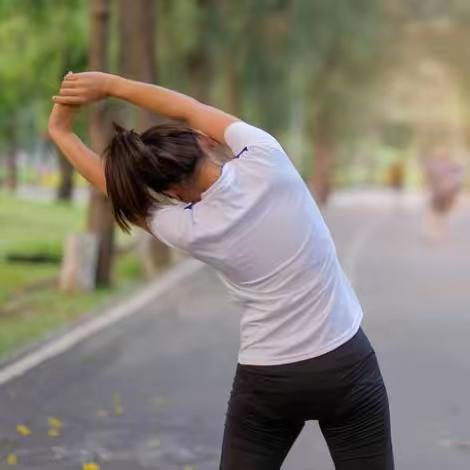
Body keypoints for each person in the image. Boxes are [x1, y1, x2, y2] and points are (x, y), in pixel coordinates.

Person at [49, 71, 394, 470]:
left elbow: (117, 189)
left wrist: (62, 133)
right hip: (345, 363)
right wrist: (110, 85)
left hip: (269, 379)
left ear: (174, 192)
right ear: (204, 140)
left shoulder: (189, 228)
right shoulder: (266, 156)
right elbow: (187, 109)